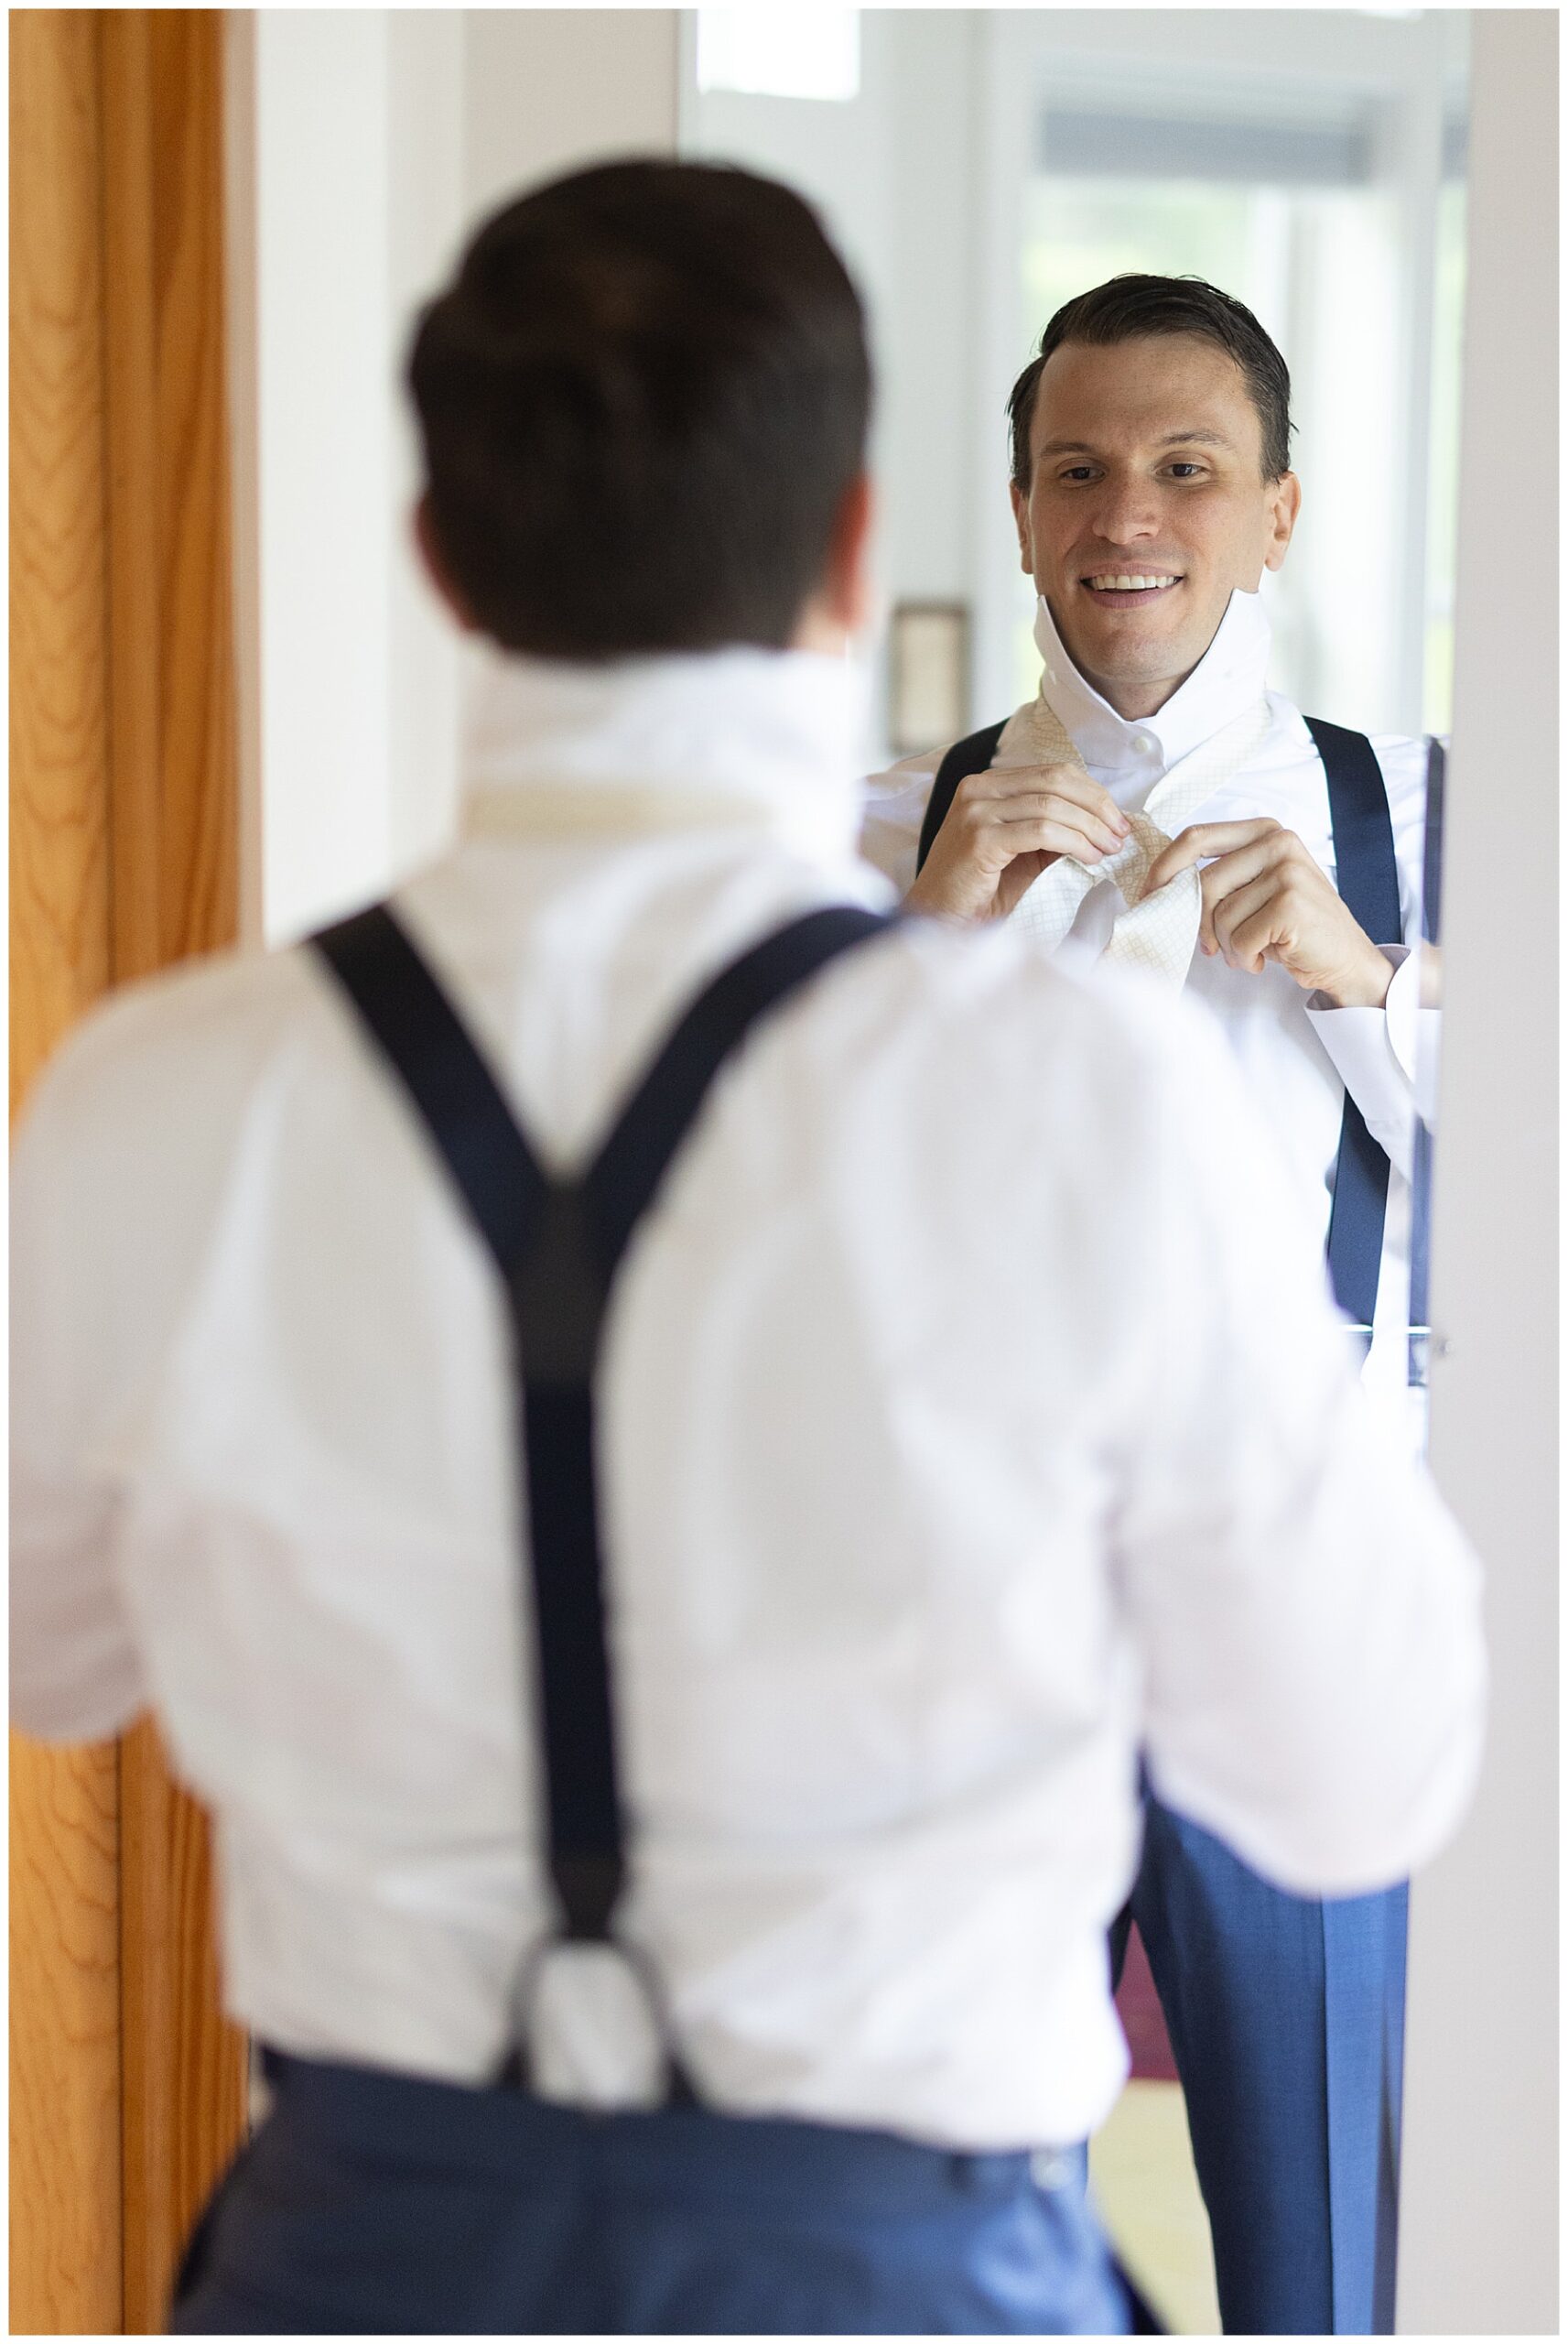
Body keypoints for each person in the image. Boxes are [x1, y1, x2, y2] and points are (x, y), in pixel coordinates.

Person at [11, 171, 1482, 2339]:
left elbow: (44, 1659)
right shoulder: (1083, 1088)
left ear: (437, 552)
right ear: (855, 543)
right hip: (892, 2254)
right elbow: (1365, 1757)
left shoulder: (154, 1091)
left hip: (363, 2241)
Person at [861, 274, 1444, 2335]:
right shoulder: (872, 842)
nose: (1129, 514)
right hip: (969, 1636)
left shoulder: (1428, 818)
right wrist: (914, 970)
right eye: (1078, 469)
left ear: (1272, 512)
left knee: (1320, 2253)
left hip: (1284, 1622)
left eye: (1185, 469)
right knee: (944, 2228)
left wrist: (1376, 983)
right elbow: (782, 1237)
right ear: (1018, 511)